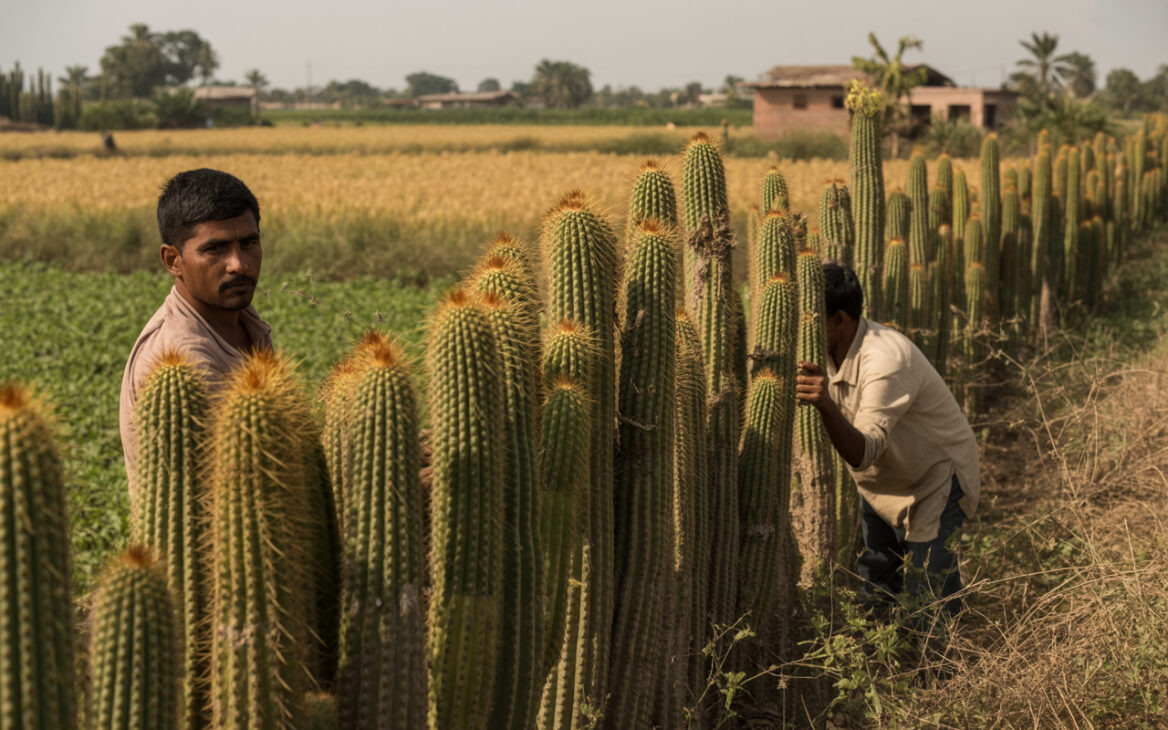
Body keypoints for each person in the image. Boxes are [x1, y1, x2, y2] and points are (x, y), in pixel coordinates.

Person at [795, 262, 979, 612]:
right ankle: (888, 662)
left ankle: (944, 665)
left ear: (839, 320)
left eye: (809, 317)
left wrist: (825, 404)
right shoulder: (823, 347)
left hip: (934, 479)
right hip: (883, 479)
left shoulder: (884, 361)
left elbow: (864, 452)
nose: (802, 324)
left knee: (929, 595)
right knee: (878, 587)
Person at [119, 168, 272, 502]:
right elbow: (242, 492)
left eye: (249, 243)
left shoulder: (241, 319)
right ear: (173, 260)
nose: (239, 264)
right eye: (215, 249)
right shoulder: (179, 364)